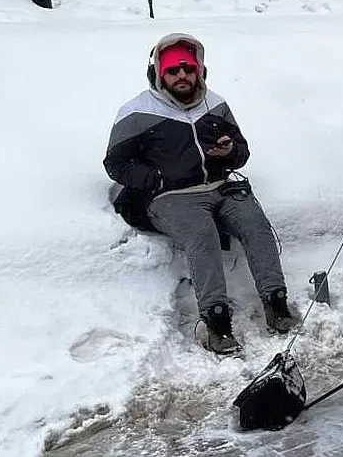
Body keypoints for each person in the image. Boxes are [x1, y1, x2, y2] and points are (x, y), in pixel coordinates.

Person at [104, 33, 298, 355]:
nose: (182, 75)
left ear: (199, 70)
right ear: (159, 74)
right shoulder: (136, 112)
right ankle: (217, 323)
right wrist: (155, 178)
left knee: (255, 224)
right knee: (201, 234)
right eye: (172, 70)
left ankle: (276, 305)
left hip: (220, 186)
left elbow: (242, 152)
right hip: (169, 197)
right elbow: (115, 163)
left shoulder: (215, 104)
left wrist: (230, 152)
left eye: (188, 68)